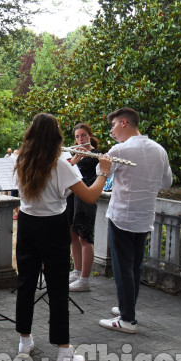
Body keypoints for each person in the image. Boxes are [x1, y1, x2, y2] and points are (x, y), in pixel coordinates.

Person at [14, 113, 112, 361]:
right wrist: (103, 172)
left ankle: (24, 341)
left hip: (26, 224)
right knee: (57, 288)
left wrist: (73, 163)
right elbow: (90, 196)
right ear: (56, 136)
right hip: (52, 227)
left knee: (25, 283)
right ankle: (64, 354)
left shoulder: (21, 159)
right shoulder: (60, 165)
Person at [98, 107, 172, 334]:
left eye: (113, 126)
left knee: (123, 269)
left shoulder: (121, 149)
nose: (111, 131)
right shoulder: (159, 150)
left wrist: (103, 165)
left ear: (123, 123)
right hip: (144, 217)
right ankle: (126, 307)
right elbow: (167, 183)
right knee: (134, 267)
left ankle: (127, 319)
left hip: (122, 216)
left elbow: (103, 174)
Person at [66, 123, 101, 293]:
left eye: (83, 136)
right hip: (73, 197)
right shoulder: (75, 153)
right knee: (73, 235)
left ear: (89, 136)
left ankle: (85, 279)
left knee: (85, 238)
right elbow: (68, 172)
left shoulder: (97, 155)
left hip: (86, 196)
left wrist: (79, 158)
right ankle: (77, 271)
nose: (80, 139)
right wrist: (73, 159)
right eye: (77, 137)